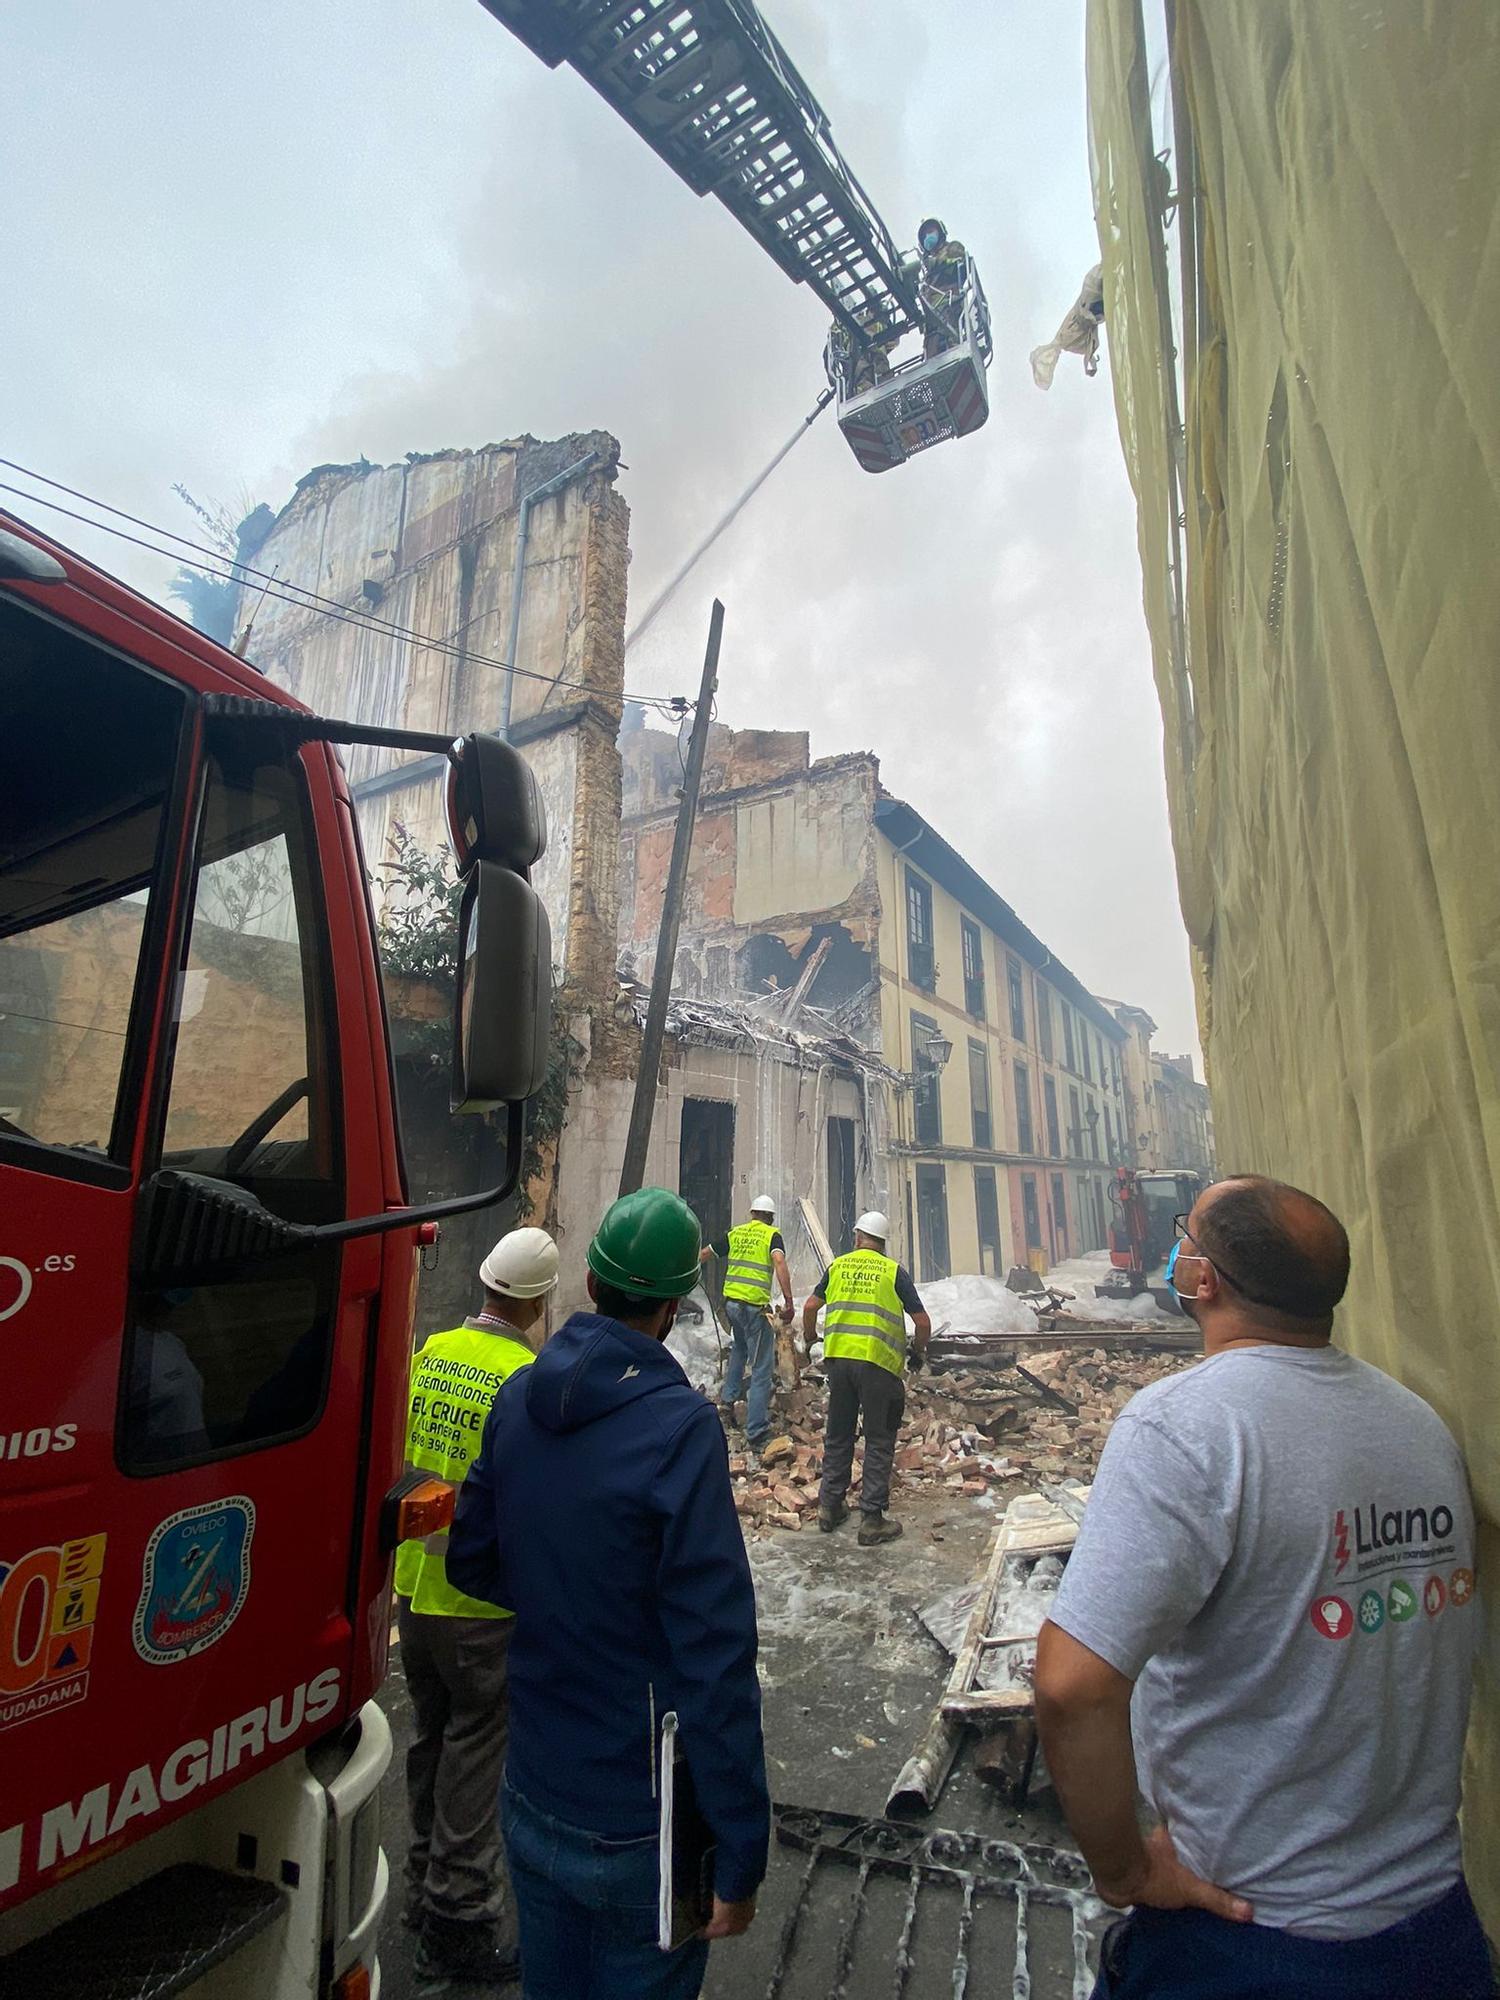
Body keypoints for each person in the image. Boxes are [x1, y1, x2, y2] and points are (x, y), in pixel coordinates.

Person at [1034, 1176, 1489, 2000]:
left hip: (1250, 1937)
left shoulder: (1183, 1426)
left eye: (1186, 1235)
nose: (1175, 1248)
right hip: (1440, 1935)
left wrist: (1125, 1872)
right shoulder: (1418, 1426)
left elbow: (1072, 1687)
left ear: (1201, 1280)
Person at [448, 1188, 769, 2000]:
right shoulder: (680, 1431)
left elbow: (472, 1563)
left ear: (589, 1284)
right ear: (673, 1306)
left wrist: (563, 1597)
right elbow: (715, 1653)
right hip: (639, 1827)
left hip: (529, 1794)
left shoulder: (517, 1398)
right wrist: (741, 1843)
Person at [395, 1226, 559, 1989]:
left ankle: (420, 1890)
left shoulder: (429, 1355)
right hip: (478, 1600)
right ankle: (458, 1920)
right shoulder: (525, 1377)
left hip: (413, 1589)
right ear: (537, 1301)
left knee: (431, 1737)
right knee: (474, 1748)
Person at [804, 1210, 931, 1546]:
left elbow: (810, 1307)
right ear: (883, 1243)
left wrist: (808, 1340)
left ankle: (830, 1507)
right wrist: (917, 1352)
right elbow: (922, 1323)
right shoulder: (893, 1272)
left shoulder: (837, 1267)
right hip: (878, 1367)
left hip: (840, 1364)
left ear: (858, 1237)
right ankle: (871, 1519)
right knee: (877, 1439)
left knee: (839, 1435)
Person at [701, 1193, 794, 1455]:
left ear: (752, 1213)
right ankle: (756, 1431)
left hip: (731, 1305)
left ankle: (727, 1403)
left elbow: (706, 1253)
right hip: (754, 1308)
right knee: (762, 1368)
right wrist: (788, 1300)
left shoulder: (736, 1233)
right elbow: (778, 1261)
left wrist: (681, 1272)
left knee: (739, 1350)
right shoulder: (771, 1235)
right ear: (771, 1217)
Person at [916, 216, 969, 358]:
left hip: (949, 304)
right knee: (932, 348)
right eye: (925, 235)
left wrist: (936, 263)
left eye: (931, 232)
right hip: (932, 317)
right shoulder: (927, 272)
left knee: (949, 344)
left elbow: (959, 263)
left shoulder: (953, 247)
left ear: (940, 232)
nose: (928, 237)